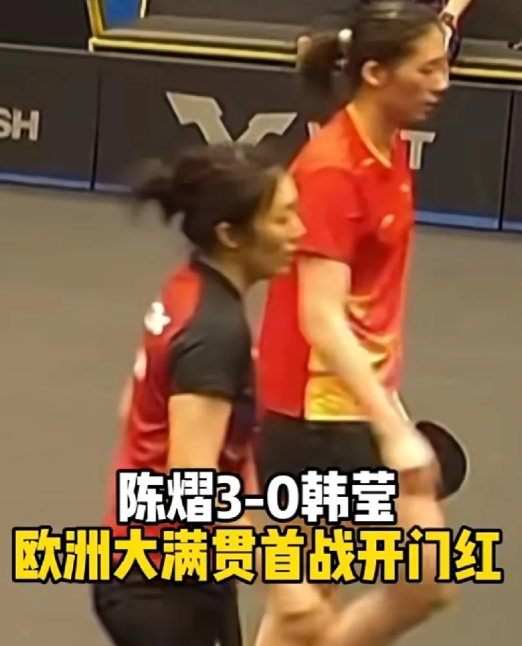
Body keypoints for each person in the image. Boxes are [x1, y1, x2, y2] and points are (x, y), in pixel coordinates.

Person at [255, 4, 455, 646]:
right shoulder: (332, 170)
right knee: (311, 604)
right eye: (427, 69)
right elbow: (320, 315)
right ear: (375, 73)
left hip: (353, 400)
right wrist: (393, 429)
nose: (442, 83)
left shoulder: (386, 146)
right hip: (312, 414)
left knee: (417, 581)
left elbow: (365, 309)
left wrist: (390, 406)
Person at [91, 143, 303, 646]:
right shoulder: (216, 332)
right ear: (230, 234)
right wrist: (281, 575)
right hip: (161, 586)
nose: (300, 231)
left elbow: (132, 408)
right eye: (282, 219)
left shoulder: (188, 287)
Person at [298, 0, 476, 63]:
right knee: (311, 42)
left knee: (416, 47)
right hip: (373, 8)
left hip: (425, 11)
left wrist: (449, 17)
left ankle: (363, 41)